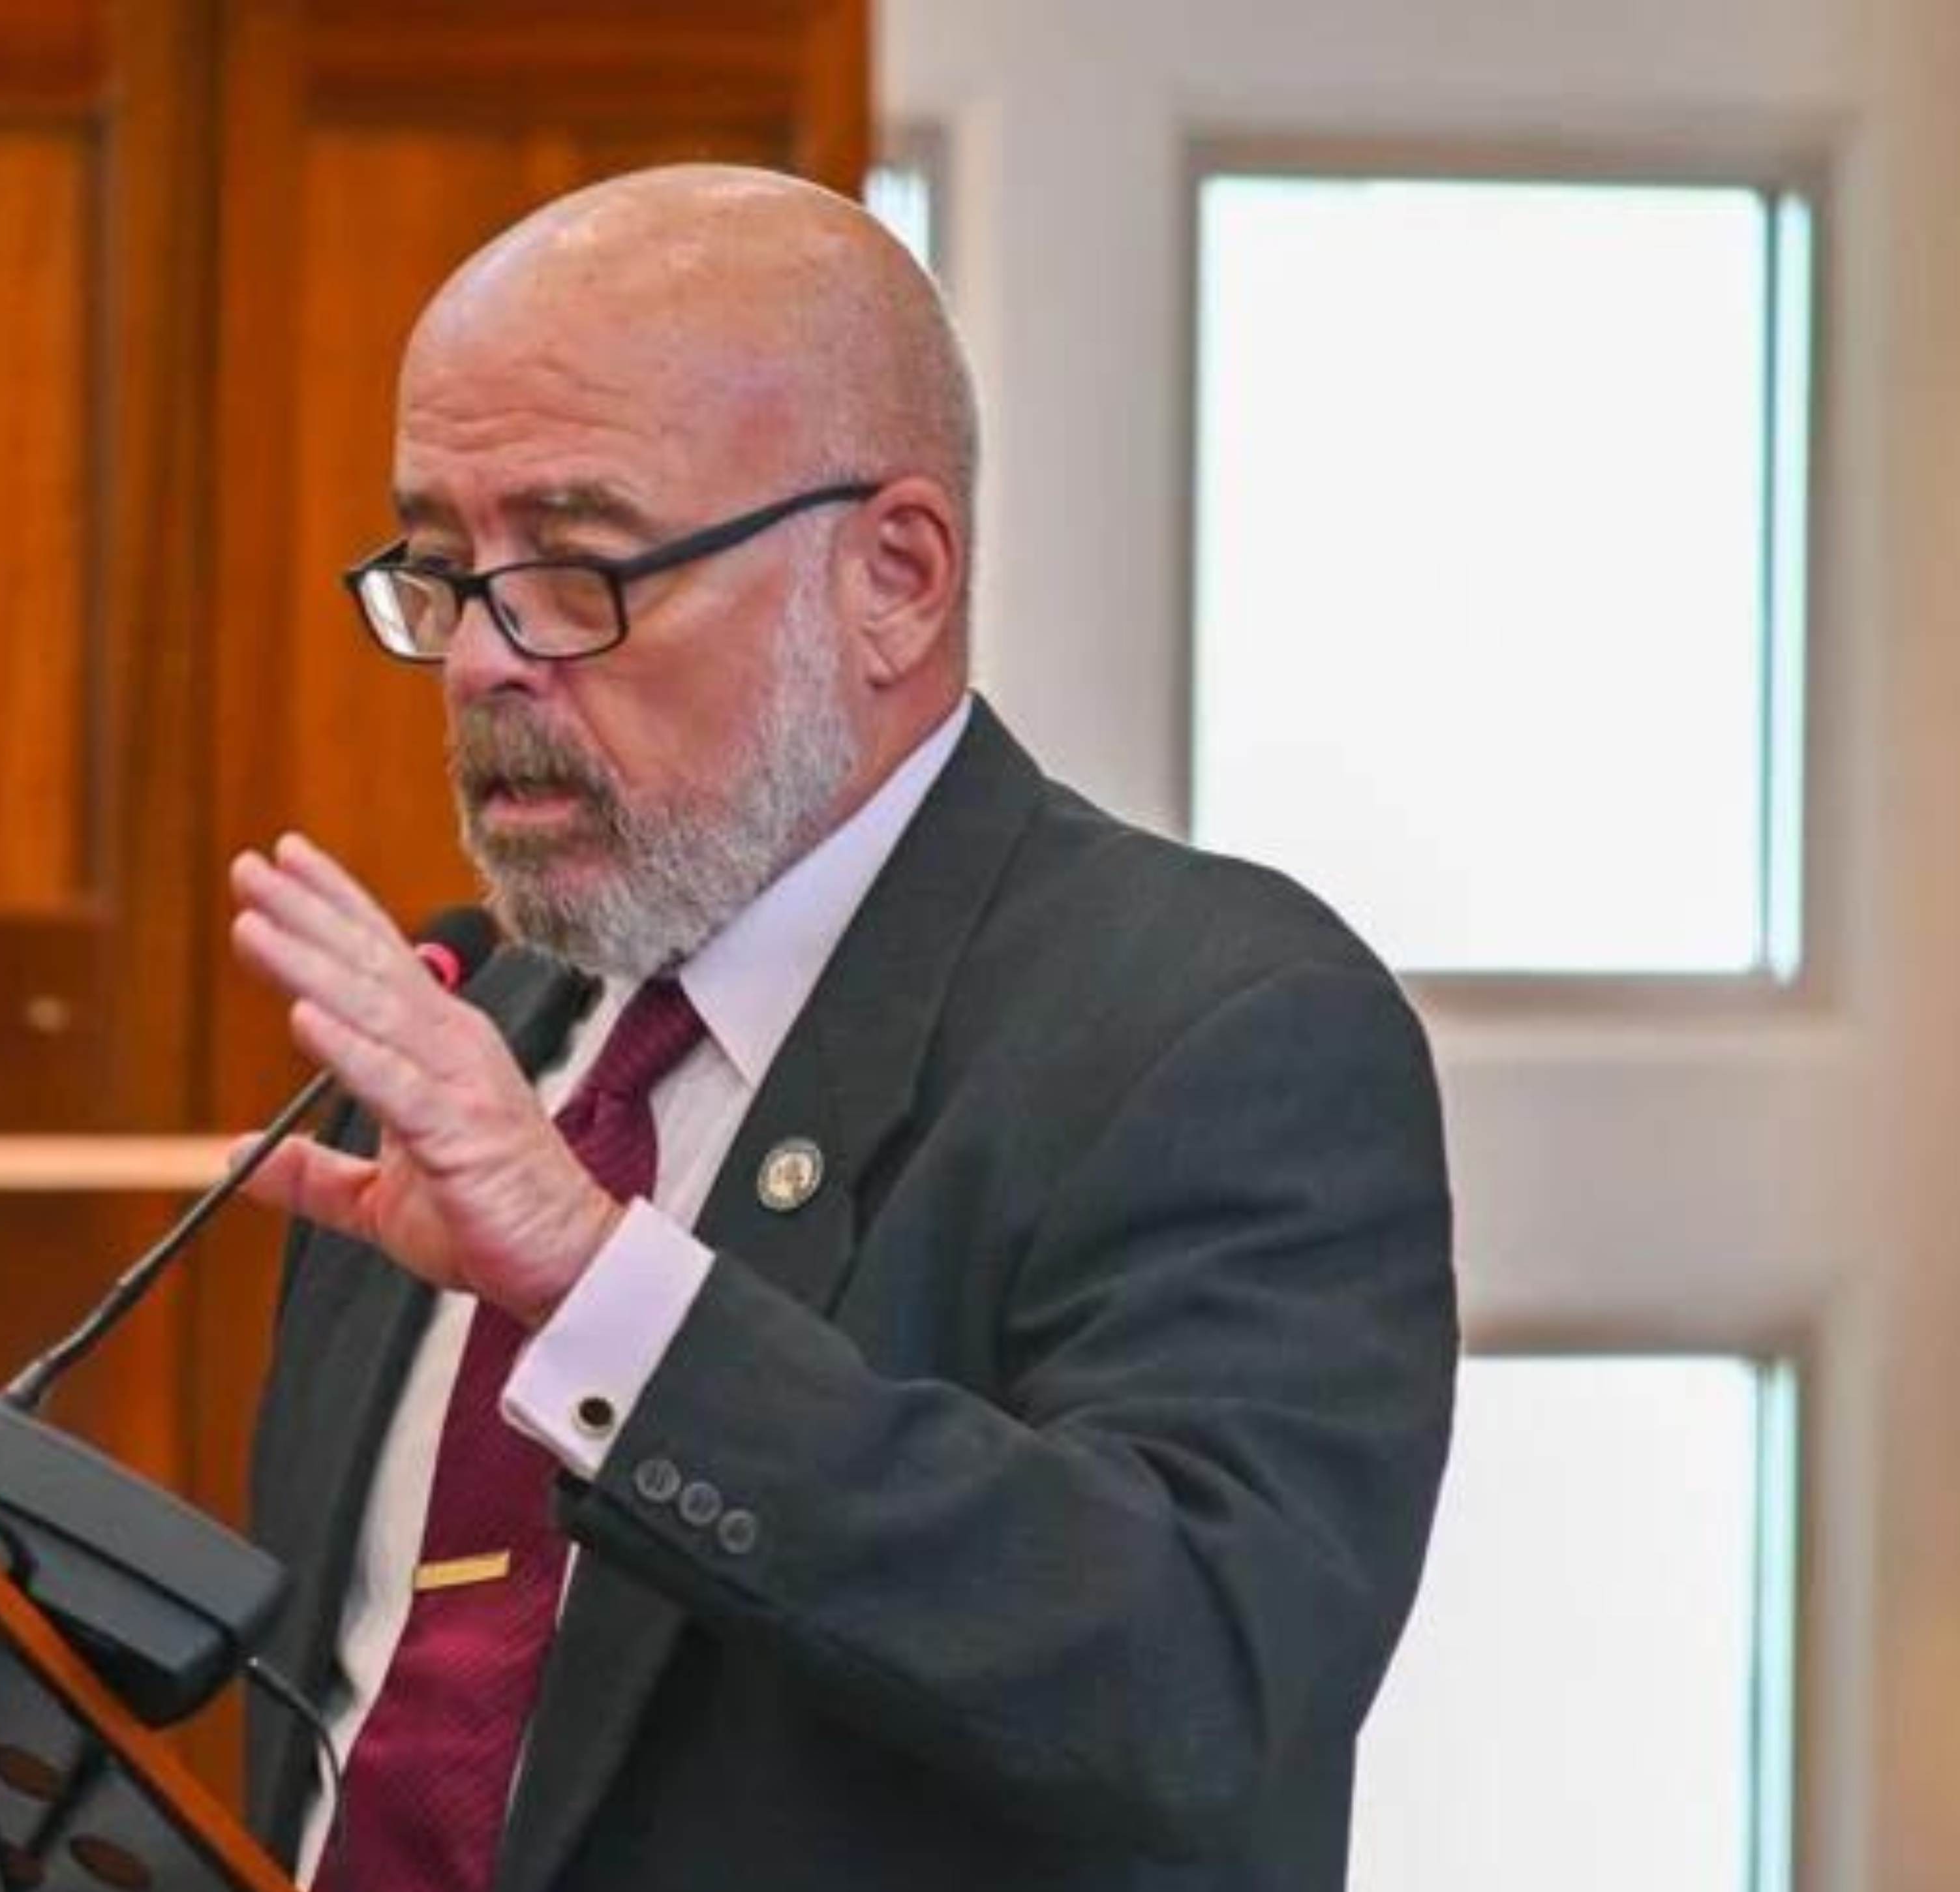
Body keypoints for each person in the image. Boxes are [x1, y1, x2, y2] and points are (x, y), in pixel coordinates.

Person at [226, 163, 1456, 1892]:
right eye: (443, 568)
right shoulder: (460, 1042)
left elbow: (1201, 1685)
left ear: (894, 577)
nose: (486, 660)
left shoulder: (1216, 1025)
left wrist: (599, 1288)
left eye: (577, 567)